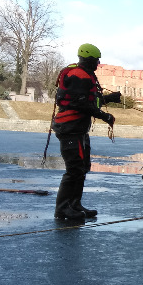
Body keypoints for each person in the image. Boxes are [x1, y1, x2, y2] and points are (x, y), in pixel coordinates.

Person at [51, 43, 121, 219]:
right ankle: (62, 208)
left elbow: (87, 100)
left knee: (82, 168)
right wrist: (104, 116)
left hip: (78, 128)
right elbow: (80, 103)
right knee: (74, 169)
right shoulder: (78, 75)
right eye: (96, 60)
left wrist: (108, 99)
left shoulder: (83, 75)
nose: (98, 64)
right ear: (89, 60)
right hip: (70, 127)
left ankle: (75, 204)